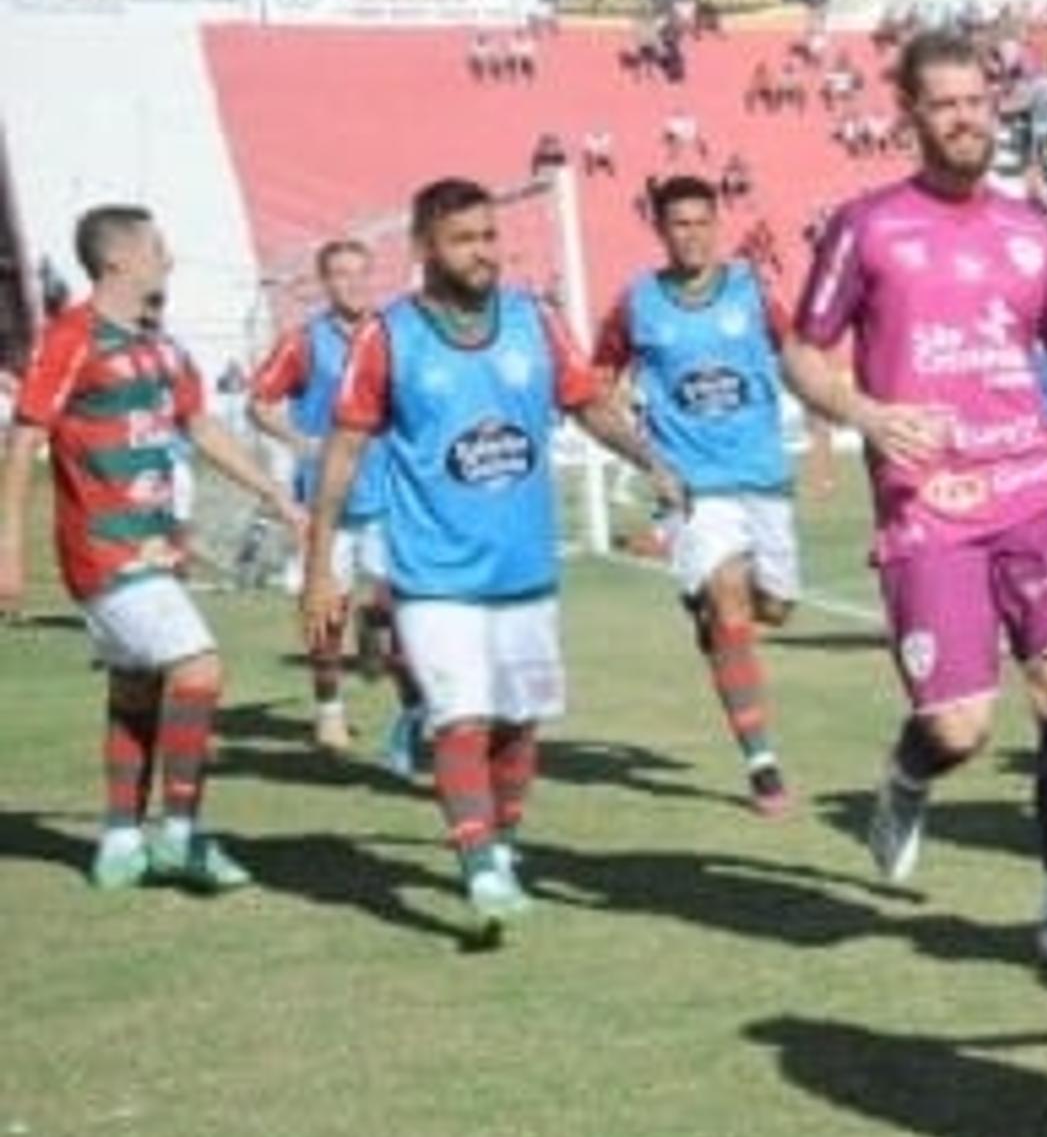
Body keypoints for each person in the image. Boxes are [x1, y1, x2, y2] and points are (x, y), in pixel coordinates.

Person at [784, 27, 1047, 986]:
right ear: (911, 115)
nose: (964, 118)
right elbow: (801, 351)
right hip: (929, 505)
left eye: (976, 101)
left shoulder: (1033, 230)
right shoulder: (868, 226)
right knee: (960, 728)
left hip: (1033, 490)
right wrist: (865, 412)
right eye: (943, 103)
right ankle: (908, 777)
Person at [301, 180, 683, 936]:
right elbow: (343, 452)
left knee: (519, 727)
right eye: (462, 239)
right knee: (462, 718)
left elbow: (587, 403)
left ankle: (501, 847)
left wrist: (649, 456)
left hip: (524, 571)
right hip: (433, 574)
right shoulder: (390, 335)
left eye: (487, 236)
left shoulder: (535, 321)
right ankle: (478, 864)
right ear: (423, 249)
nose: (482, 252)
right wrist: (319, 565)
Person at [0, 205, 303, 891]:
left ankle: (119, 842)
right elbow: (23, 439)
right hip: (105, 549)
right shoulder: (71, 336)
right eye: (156, 246)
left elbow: (200, 426)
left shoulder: (163, 345)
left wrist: (275, 494)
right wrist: (8, 547)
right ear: (118, 259)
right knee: (197, 670)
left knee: (137, 687)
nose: (167, 256)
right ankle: (180, 834)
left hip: (155, 548)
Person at [592, 174, 813, 819]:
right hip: (691, 484)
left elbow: (799, 356)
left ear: (718, 224)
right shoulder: (635, 304)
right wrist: (641, 449)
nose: (691, 235)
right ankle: (762, 764)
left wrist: (828, 433)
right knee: (730, 604)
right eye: (678, 224)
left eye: (701, 222)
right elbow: (599, 378)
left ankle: (713, 623)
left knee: (776, 608)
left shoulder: (754, 291)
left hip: (763, 475)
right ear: (660, 230)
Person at [244, 239, 406, 760]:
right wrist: (301, 443)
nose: (354, 283)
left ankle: (376, 630)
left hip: (390, 495)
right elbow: (259, 403)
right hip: (326, 502)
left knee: (401, 608)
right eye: (341, 274)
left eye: (362, 272)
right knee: (323, 613)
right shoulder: (303, 342)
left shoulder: (396, 335)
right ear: (324, 282)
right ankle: (330, 713)